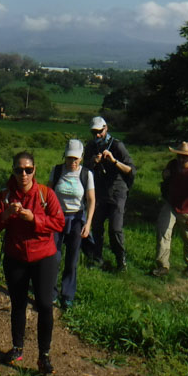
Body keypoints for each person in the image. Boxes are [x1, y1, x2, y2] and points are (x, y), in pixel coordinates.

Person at [0, 151, 65, 375]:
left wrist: (34, 219)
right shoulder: (5, 196)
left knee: (44, 305)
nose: (23, 174)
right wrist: (6, 215)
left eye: (28, 170)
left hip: (44, 257)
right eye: (19, 170)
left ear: (35, 170)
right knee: (18, 304)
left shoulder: (45, 194)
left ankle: (44, 356)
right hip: (15, 257)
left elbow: (59, 223)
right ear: (13, 170)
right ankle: (17, 348)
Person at [82, 116, 135, 272]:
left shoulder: (118, 146)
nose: (97, 135)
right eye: (94, 132)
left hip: (117, 191)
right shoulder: (91, 146)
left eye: (99, 131)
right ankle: (98, 258)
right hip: (99, 191)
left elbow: (131, 170)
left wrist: (113, 161)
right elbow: (85, 169)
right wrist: (93, 162)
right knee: (97, 226)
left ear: (106, 129)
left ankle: (121, 261)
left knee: (115, 228)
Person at [50, 139, 96, 310]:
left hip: (76, 219)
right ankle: (51, 293)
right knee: (53, 257)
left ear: (82, 158)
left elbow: (91, 200)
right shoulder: (56, 171)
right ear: (65, 156)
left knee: (72, 258)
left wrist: (88, 223)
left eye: (76, 158)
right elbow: (48, 194)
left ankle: (67, 295)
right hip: (56, 218)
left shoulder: (86, 175)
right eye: (69, 158)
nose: (72, 162)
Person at [154, 141, 188, 278]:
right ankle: (163, 266)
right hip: (171, 204)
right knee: (163, 231)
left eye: (185, 156)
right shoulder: (172, 164)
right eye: (179, 156)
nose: (181, 159)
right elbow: (166, 179)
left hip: (187, 209)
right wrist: (164, 175)